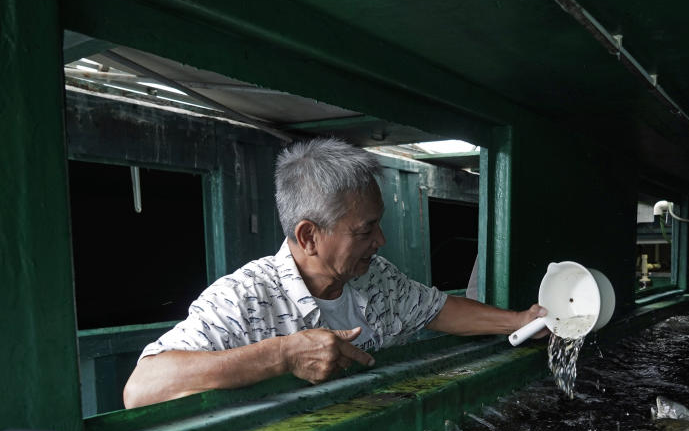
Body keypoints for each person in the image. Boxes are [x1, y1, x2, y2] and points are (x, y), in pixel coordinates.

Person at [123, 137, 546, 408]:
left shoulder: (373, 276)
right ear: (308, 235)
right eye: (365, 230)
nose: (380, 241)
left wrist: (521, 321)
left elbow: (435, 310)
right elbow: (142, 388)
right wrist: (284, 355)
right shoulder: (245, 298)